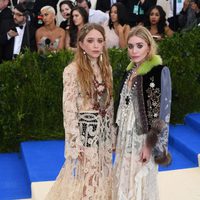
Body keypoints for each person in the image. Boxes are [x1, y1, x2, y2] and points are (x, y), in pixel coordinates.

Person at [45, 23, 115, 200]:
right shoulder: (71, 71)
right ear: (81, 44)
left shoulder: (107, 69)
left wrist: (112, 133)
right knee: (88, 177)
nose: (96, 45)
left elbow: (110, 103)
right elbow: (68, 109)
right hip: (85, 132)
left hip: (104, 131)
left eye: (100, 41)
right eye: (90, 41)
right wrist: (75, 141)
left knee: (104, 172)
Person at [113, 26, 172, 200]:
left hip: (143, 135)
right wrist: (116, 133)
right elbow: (123, 103)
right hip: (125, 133)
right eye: (130, 46)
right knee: (124, 175)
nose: (134, 50)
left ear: (149, 46)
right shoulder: (129, 71)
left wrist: (149, 144)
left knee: (139, 178)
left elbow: (163, 112)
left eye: (139, 45)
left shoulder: (158, 71)